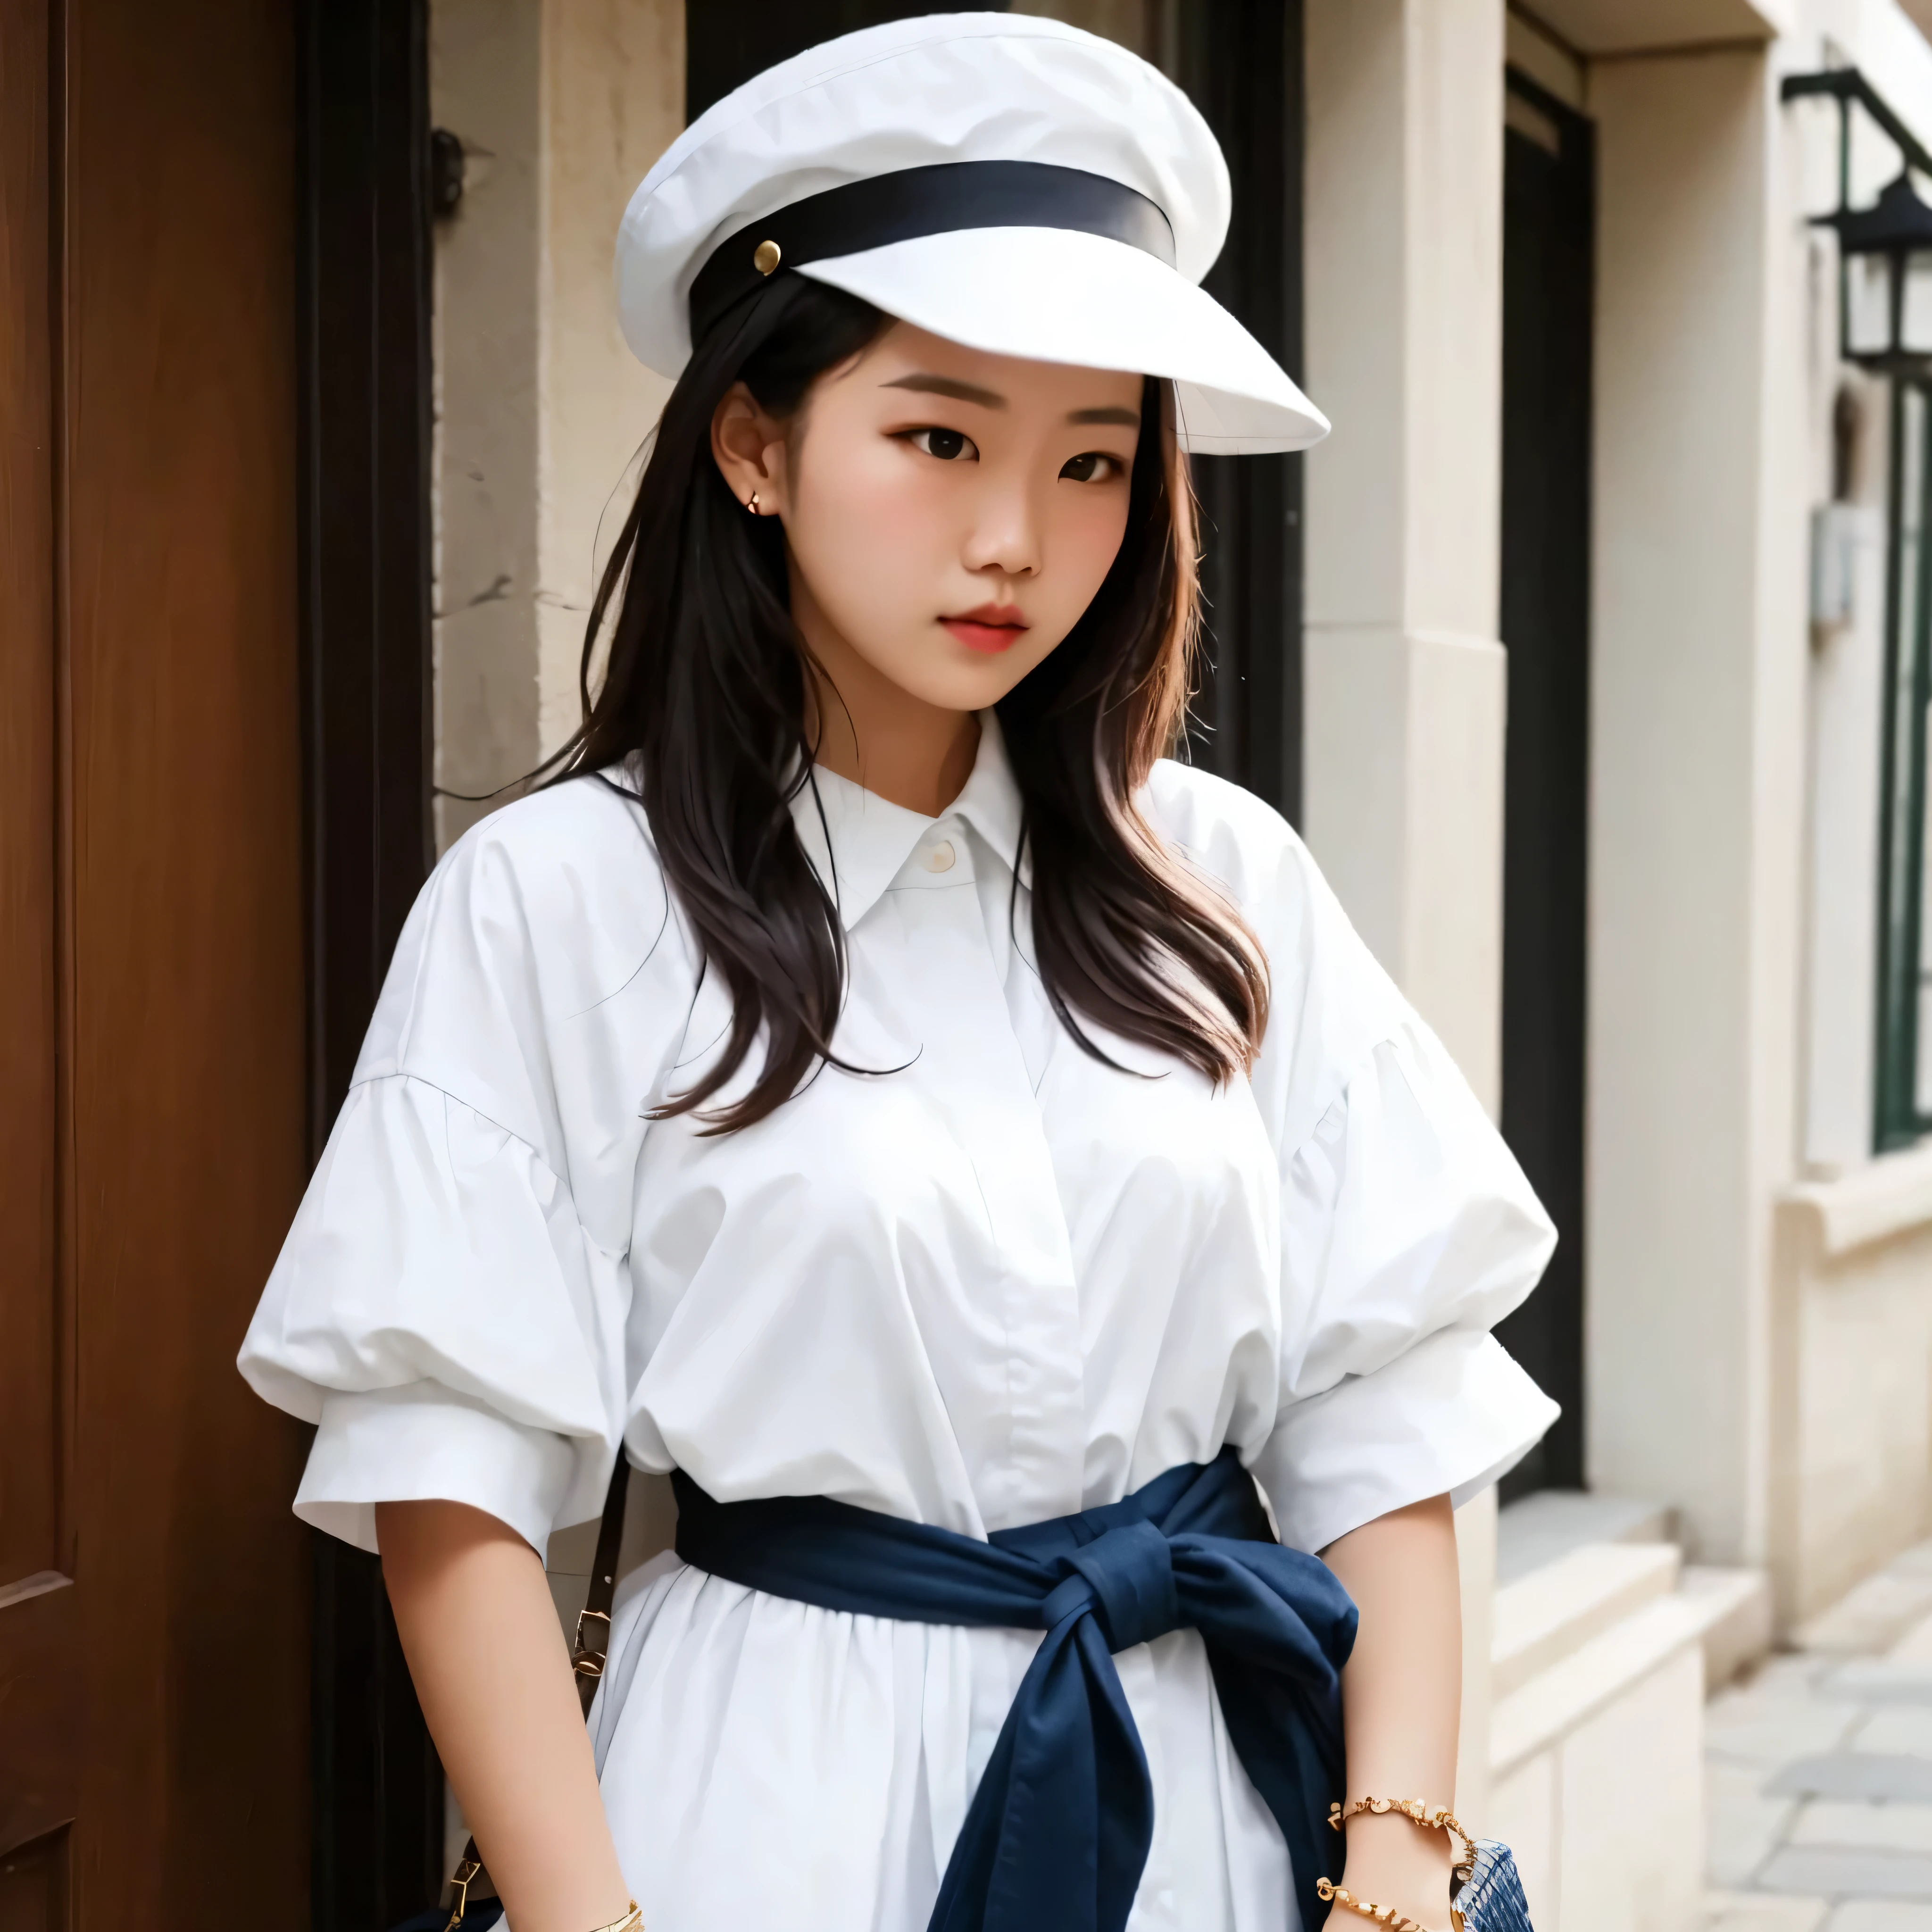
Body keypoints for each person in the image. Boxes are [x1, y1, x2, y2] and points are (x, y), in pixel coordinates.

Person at [240, 16, 1557, 1932]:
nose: (1018, 539)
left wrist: (1392, 1875)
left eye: (1092, 459)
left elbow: (1388, 1405)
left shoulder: (1224, 876)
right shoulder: (559, 900)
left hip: (1205, 1802)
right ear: (754, 441)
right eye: (937, 437)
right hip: (770, 1813)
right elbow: (449, 1481)